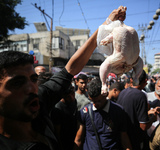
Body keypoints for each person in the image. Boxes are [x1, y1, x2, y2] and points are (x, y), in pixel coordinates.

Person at [0, 6, 126, 150]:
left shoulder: (40, 99)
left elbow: (70, 69)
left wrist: (107, 24)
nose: (31, 88)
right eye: (17, 83)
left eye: (33, 79)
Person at [74, 79, 132, 150]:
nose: (95, 104)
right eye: (93, 101)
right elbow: (78, 139)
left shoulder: (118, 111)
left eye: (99, 101)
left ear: (106, 94)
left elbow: (124, 137)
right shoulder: (84, 112)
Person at [117, 70, 160, 150]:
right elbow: (143, 126)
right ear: (145, 81)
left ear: (131, 80)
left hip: (122, 139)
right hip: (134, 140)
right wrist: (153, 119)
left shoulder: (123, 92)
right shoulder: (141, 95)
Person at [50, 85, 77, 150]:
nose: (72, 97)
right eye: (68, 96)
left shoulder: (73, 101)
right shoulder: (57, 108)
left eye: (73, 93)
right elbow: (57, 132)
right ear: (63, 96)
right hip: (64, 142)